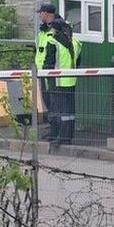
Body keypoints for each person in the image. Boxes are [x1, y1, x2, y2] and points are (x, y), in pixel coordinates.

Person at [43, 17, 78, 148]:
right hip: (71, 80)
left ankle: (60, 138)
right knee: (69, 112)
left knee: (60, 111)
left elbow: (48, 63)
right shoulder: (74, 42)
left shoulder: (53, 42)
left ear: (55, 29)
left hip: (57, 81)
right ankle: (68, 137)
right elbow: (77, 61)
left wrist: (45, 75)